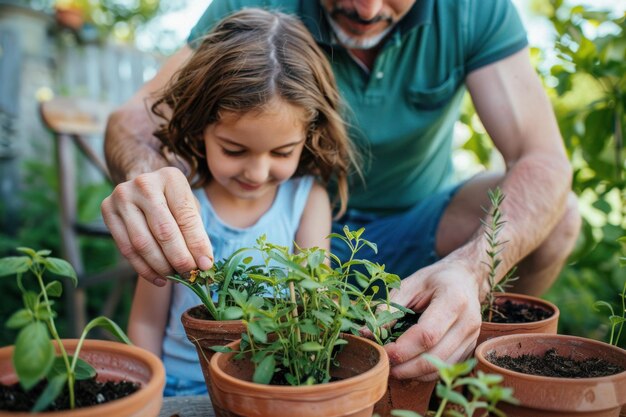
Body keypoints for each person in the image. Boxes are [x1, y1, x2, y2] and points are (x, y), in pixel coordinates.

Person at [102, 0, 581, 381]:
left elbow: (542, 158)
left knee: (557, 218)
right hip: (309, 265)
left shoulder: (474, 10)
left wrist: (473, 269)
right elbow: (134, 119)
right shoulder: (248, 9)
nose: (368, 10)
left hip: (414, 242)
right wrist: (150, 182)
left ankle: (465, 370)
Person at [120, 8, 357, 395]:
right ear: (201, 130)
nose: (257, 173)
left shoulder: (306, 199)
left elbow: (317, 302)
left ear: (308, 137)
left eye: (282, 153)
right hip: (180, 385)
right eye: (233, 149)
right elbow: (146, 322)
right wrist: (148, 395)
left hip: (272, 386)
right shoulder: (179, 204)